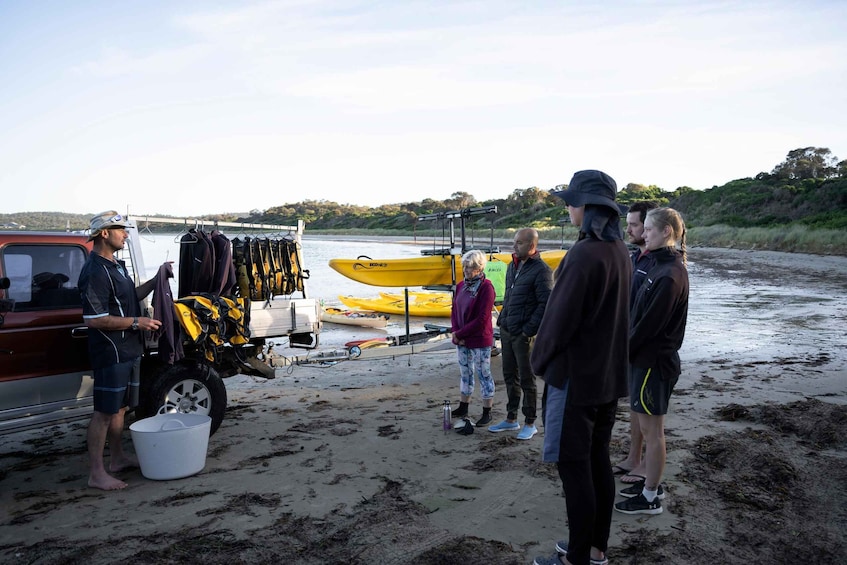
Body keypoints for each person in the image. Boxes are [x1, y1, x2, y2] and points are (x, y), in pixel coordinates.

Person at [530, 170, 631, 565]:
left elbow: (558, 322)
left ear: (588, 208)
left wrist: (539, 362)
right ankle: (594, 550)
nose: (568, 207)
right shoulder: (620, 251)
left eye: (572, 201)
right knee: (597, 462)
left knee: (575, 470)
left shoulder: (585, 254)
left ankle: (577, 558)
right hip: (607, 378)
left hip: (575, 381)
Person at [78, 211, 163, 490]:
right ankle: (97, 473)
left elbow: (130, 296)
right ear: (104, 233)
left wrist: (157, 279)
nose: (126, 235)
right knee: (104, 412)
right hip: (111, 352)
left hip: (129, 349)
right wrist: (137, 322)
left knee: (121, 408)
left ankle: (117, 459)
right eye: (121, 230)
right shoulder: (95, 271)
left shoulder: (117, 265)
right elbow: (94, 319)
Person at [614, 207, 689, 515]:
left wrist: (619, 353)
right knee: (648, 430)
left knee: (652, 432)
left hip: (653, 364)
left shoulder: (670, 274)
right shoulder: (658, 265)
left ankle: (650, 497)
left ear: (666, 232)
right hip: (646, 362)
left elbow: (648, 328)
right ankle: (650, 484)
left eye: (648, 230)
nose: (643, 235)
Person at [488, 228, 552, 440]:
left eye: (519, 243)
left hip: (524, 334)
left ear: (532, 246)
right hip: (507, 329)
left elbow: (545, 304)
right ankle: (511, 418)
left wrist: (528, 330)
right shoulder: (511, 267)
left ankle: (530, 422)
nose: (514, 246)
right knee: (509, 375)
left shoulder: (542, 270)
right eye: (514, 242)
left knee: (527, 378)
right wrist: (503, 320)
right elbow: (509, 297)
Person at [615, 200, 659, 483]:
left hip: (647, 351)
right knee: (634, 405)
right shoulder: (636, 257)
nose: (627, 229)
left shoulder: (660, 263)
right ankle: (634, 456)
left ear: (649, 227)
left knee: (648, 412)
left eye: (633, 224)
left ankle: (647, 468)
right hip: (629, 345)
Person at [449, 249, 497, 427]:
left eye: (470, 268)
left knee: (483, 373)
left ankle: (487, 411)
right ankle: (464, 406)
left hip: (479, 339)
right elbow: (454, 310)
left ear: (479, 268)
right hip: (461, 338)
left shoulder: (486, 288)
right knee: (465, 372)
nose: (466, 271)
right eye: (465, 267)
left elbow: (482, 318)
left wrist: (461, 334)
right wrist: (455, 332)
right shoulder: (462, 285)